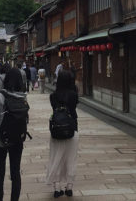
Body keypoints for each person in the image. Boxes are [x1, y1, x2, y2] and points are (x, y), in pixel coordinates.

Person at [0, 68, 27, 201]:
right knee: (15, 173)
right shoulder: (23, 97)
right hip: (17, 140)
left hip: (0, 140)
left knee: (0, 173)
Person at [46, 70, 79, 198]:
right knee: (71, 158)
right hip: (72, 129)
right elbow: (73, 108)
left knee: (56, 158)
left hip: (56, 130)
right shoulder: (73, 95)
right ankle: (69, 187)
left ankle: (57, 188)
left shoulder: (53, 96)